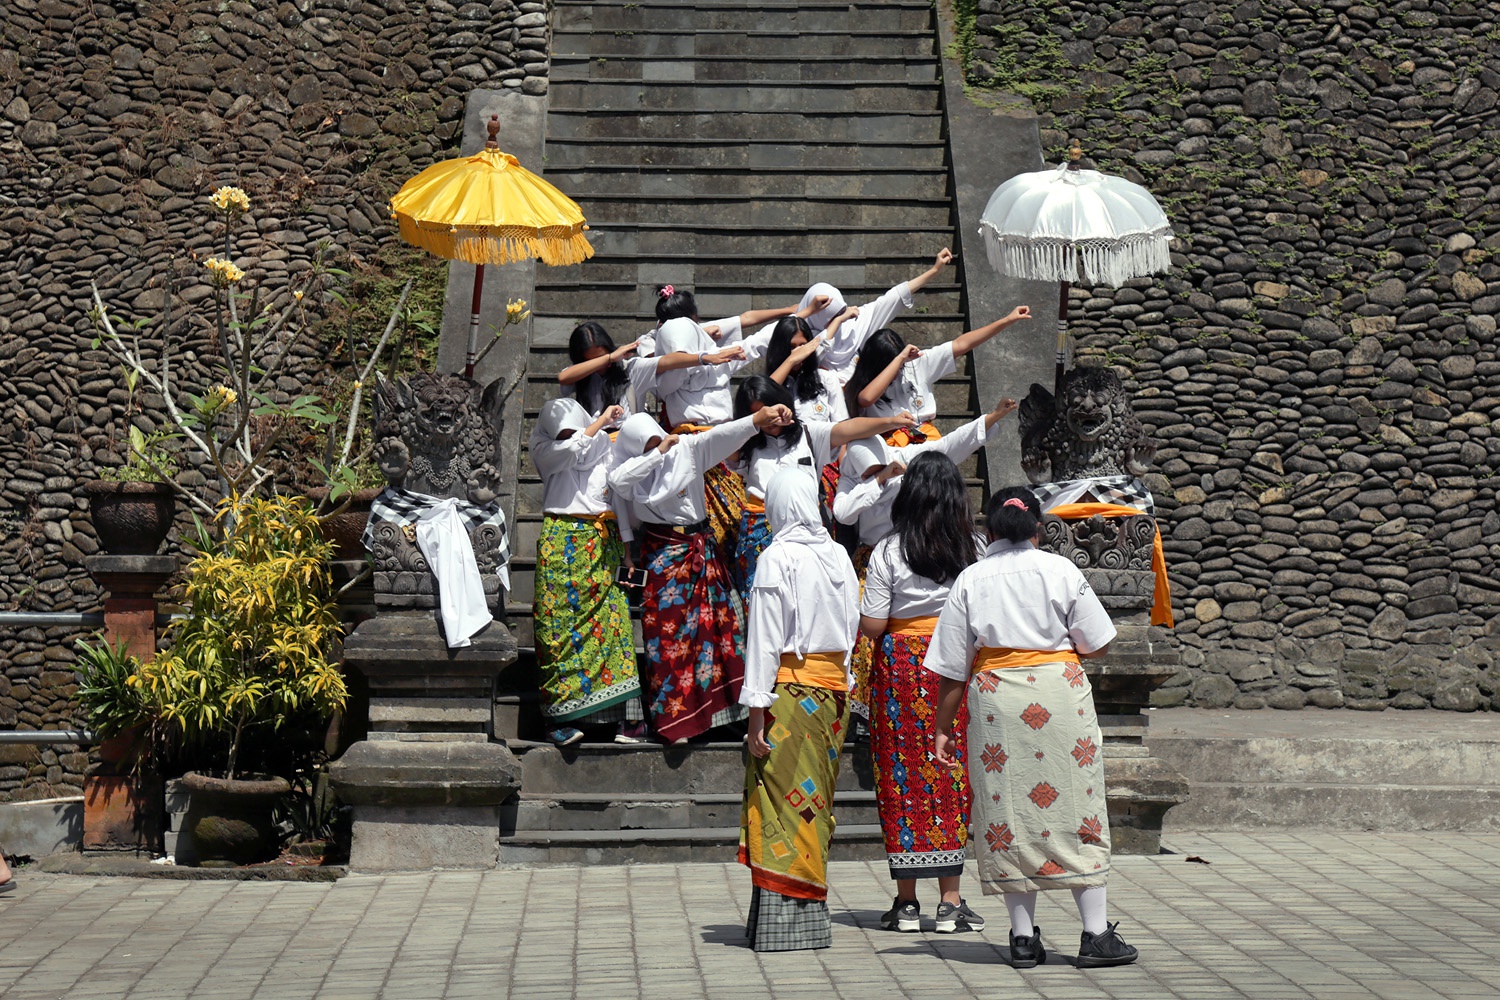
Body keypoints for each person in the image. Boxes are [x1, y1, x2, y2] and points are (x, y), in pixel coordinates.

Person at [927, 487, 1139, 970]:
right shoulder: (1061, 570)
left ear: (989, 530)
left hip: (996, 698)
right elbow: (1100, 642)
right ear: (1038, 529)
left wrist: (942, 727)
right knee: (1080, 803)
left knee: (1005, 808)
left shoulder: (970, 579)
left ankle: (1022, 938)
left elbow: (952, 668)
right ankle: (1095, 933)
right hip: (1059, 693)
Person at [608, 405, 793, 743]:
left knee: (725, 628)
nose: (656, 448)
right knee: (668, 641)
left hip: (699, 544)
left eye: (657, 440)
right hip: (663, 553)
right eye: (645, 445)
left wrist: (756, 420)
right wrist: (657, 453)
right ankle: (675, 722)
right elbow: (618, 482)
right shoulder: (630, 470)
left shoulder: (688, 451)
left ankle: (727, 715)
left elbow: (723, 436)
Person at [833, 394, 1020, 723]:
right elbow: (844, 514)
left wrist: (991, 417)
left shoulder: (891, 544)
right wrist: (878, 480)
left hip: (905, 651)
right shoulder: (976, 545)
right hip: (958, 652)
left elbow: (951, 443)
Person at [859, 452, 984, 934]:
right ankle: (950, 902)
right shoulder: (975, 546)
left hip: (901, 671)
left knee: (900, 777)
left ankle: (907, 903)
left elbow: (871, 627)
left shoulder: (889, 550)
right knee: (954, 776)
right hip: (957, 665)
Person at [738, 469, 860, 952]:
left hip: (788, 694)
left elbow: (764, 643)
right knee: (812, 806)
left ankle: (785, 923)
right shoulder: (839, 557)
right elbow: (849, 629)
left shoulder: (777, 557)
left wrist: (754, 711)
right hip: (833, 698)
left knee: (779, 803)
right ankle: (802, 919)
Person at [528, 398, 647, 746]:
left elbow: (617, 502)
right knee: (557, 627)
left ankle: (628, 720)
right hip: (560, 539)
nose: (569, 438)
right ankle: (560, 718)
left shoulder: (608, 448)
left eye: (573, 429)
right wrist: (595, 425)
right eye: (562, 433)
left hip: (602, 542)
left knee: (615, 624)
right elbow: (569, 451)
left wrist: (627, 551)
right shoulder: (544, 449)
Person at [730, 375, 915, 595]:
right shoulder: (745, 442)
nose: (770, 422)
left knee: (808, 596)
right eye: (761, 415)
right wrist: (752, 424)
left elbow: (848, 428)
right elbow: (724, 445)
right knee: (763, 597)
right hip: (760, 526)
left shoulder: (808, 433)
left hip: (806, 525)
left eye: (771, 410)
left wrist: (891, 422)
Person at [843, 306, 1032, 446]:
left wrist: (1007, 320)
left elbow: (960, 344)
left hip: (927, 439)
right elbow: (866, 399)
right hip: (887, 448)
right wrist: (899, 359)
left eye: (901, 364)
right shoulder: (861, 380)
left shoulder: (916, 363)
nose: (900, 369)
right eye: (895, 365)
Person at [797, 249, 956, 384]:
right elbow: (801, 362)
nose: (839, 319)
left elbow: (893, 298)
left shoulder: (852, 323)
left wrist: (934, 270)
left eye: (840, 312)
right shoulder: (798, 339)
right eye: (832, 317)